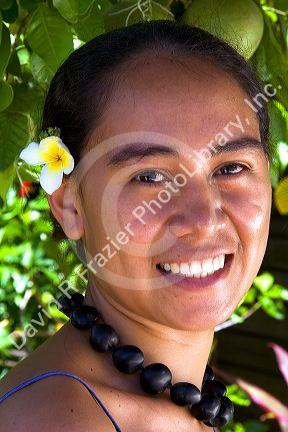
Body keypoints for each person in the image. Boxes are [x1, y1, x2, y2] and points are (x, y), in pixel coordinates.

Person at [0, 19, 272, 431]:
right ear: (69, 207)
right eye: (149, 177)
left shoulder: (176, 403)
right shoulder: (55, 420)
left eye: (231, 167)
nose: (203, 220)